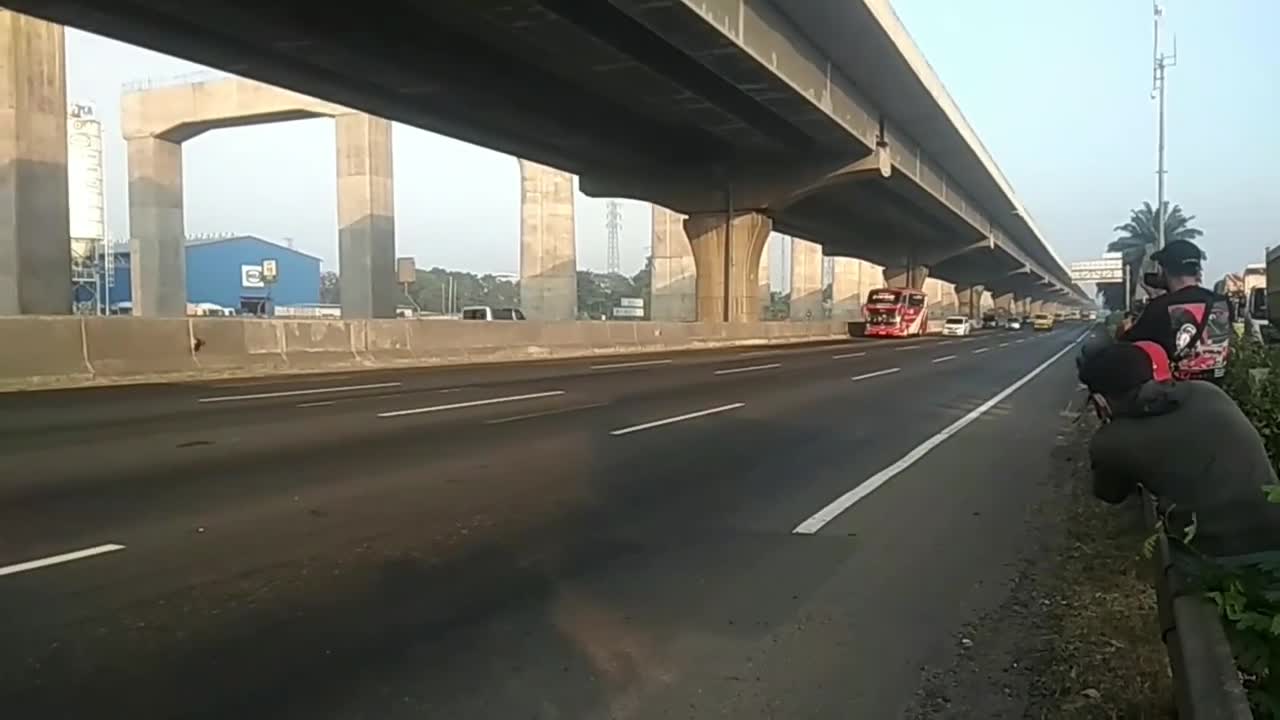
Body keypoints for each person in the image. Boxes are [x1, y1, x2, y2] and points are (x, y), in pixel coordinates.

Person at [1079, 340, 1280, 561]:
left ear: (1100, 401)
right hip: (1274, 531)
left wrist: (1109, 426)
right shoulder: (1207, 392)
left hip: (1215, 558)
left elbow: (1110, 494)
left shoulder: (1111, 441)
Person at [1121, 239, 1231, 382]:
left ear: (1164, 270)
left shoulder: (1160, 307)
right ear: (1197, 270)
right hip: (1217, 387)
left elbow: (1131, 345)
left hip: (1175, 392)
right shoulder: (1221, 302)